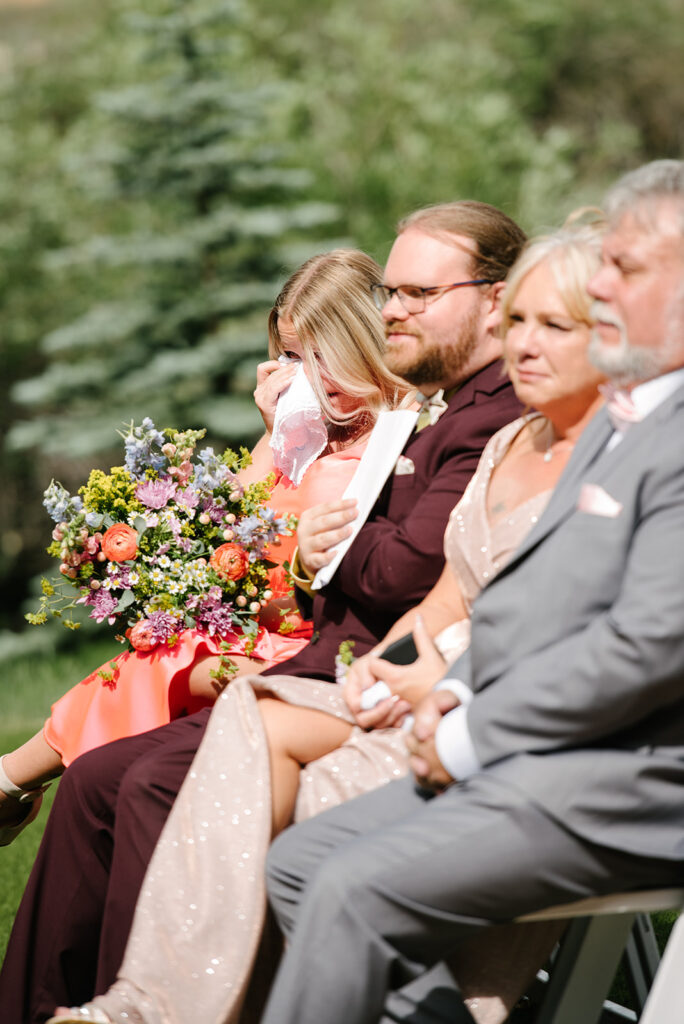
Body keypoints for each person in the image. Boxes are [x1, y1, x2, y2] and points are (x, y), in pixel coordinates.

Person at [46, 218, 606, 1024]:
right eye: (391, 292)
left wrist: (432, 680)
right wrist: (386, 648)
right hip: (388, 675)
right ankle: (117, 1005)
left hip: (503, 725)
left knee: (168, 779)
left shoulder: (545, 438)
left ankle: (165, 1009)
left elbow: (414, 573)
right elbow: (444, 590)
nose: (394, 311)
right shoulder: (507, 436)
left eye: (554, 323)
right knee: (174, 750)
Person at [258, 159, 684, 1024]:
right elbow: (521, 602)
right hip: (545, 741)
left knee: (345, 888)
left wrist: (471, 731)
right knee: (296, 864)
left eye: (626, 268)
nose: (603, 281)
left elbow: (647, 645)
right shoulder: (619, 421)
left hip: (634, 774)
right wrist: (444, 684)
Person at [0, 248, 410, 845]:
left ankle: (13, 783)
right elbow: (226, 535)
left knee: (171, 657)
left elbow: (309, 581)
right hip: (257, 632)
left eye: (317, 356)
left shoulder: (395, 436)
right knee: (166, 648)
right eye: (288, 355)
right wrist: (276, 438)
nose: (299, 374)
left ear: (363, 346)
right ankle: (17, 785)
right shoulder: (303, 432)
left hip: (312, 652)